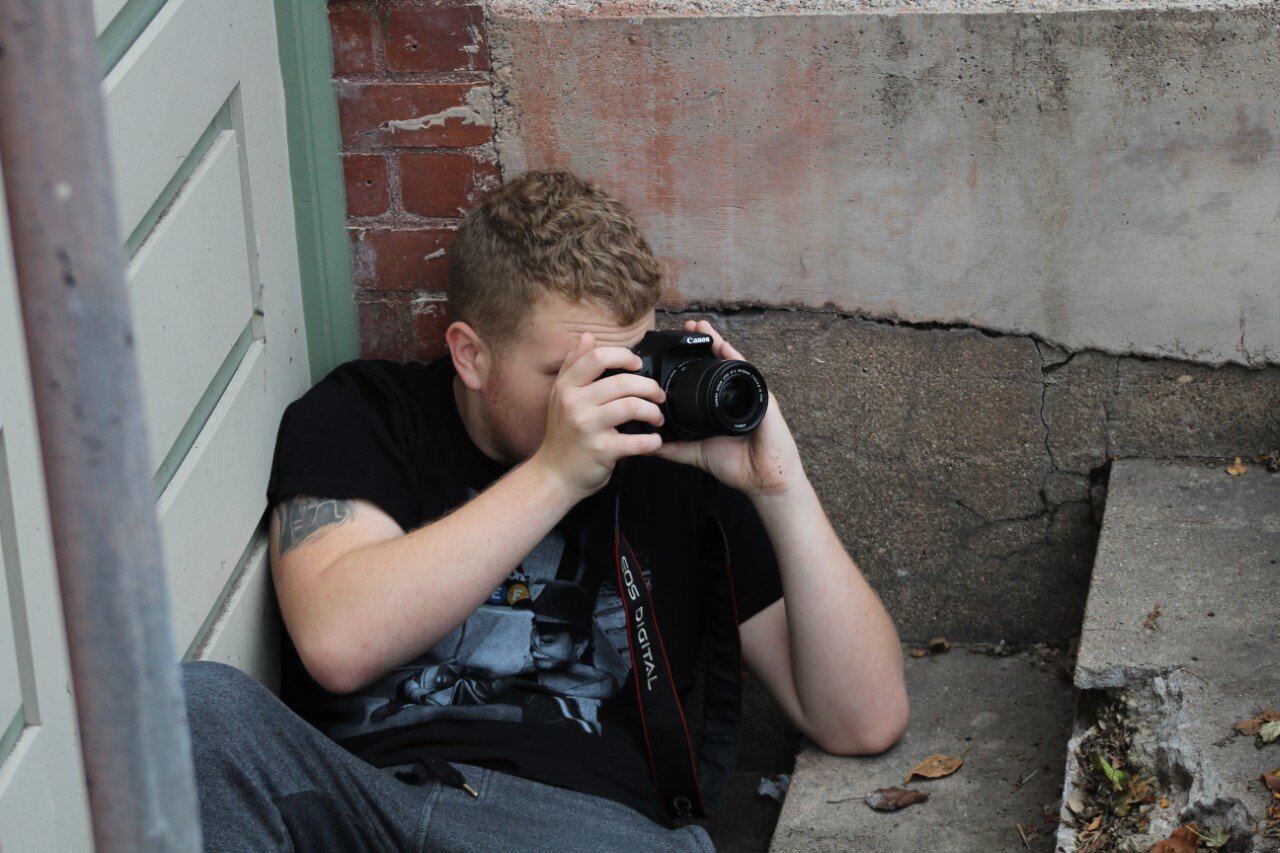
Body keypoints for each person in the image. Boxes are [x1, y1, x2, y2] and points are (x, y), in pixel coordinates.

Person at [180, 168, 908, 852]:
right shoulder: (368, 415)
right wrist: (558, 473)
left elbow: (862, 717)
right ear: (471, 354)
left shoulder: (670, 459)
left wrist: (781, 487)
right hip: (370, 806)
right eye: (570, 373)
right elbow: (338, 641)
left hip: (582, 824)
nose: (608, 399)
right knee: (196, 710)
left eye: (629, 362)